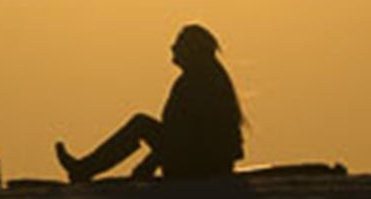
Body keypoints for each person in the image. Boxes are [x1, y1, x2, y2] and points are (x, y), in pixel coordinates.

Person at [54, 23, 244, 182]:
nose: (173, 47)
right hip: (206, 162)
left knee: (140, 124)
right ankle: (84, 168)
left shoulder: (198, 82)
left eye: (179, 43)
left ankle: (84, 169)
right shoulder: (205, 78)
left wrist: (149, 164)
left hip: (201, 165)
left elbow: (184, 135)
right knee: (142, 124)